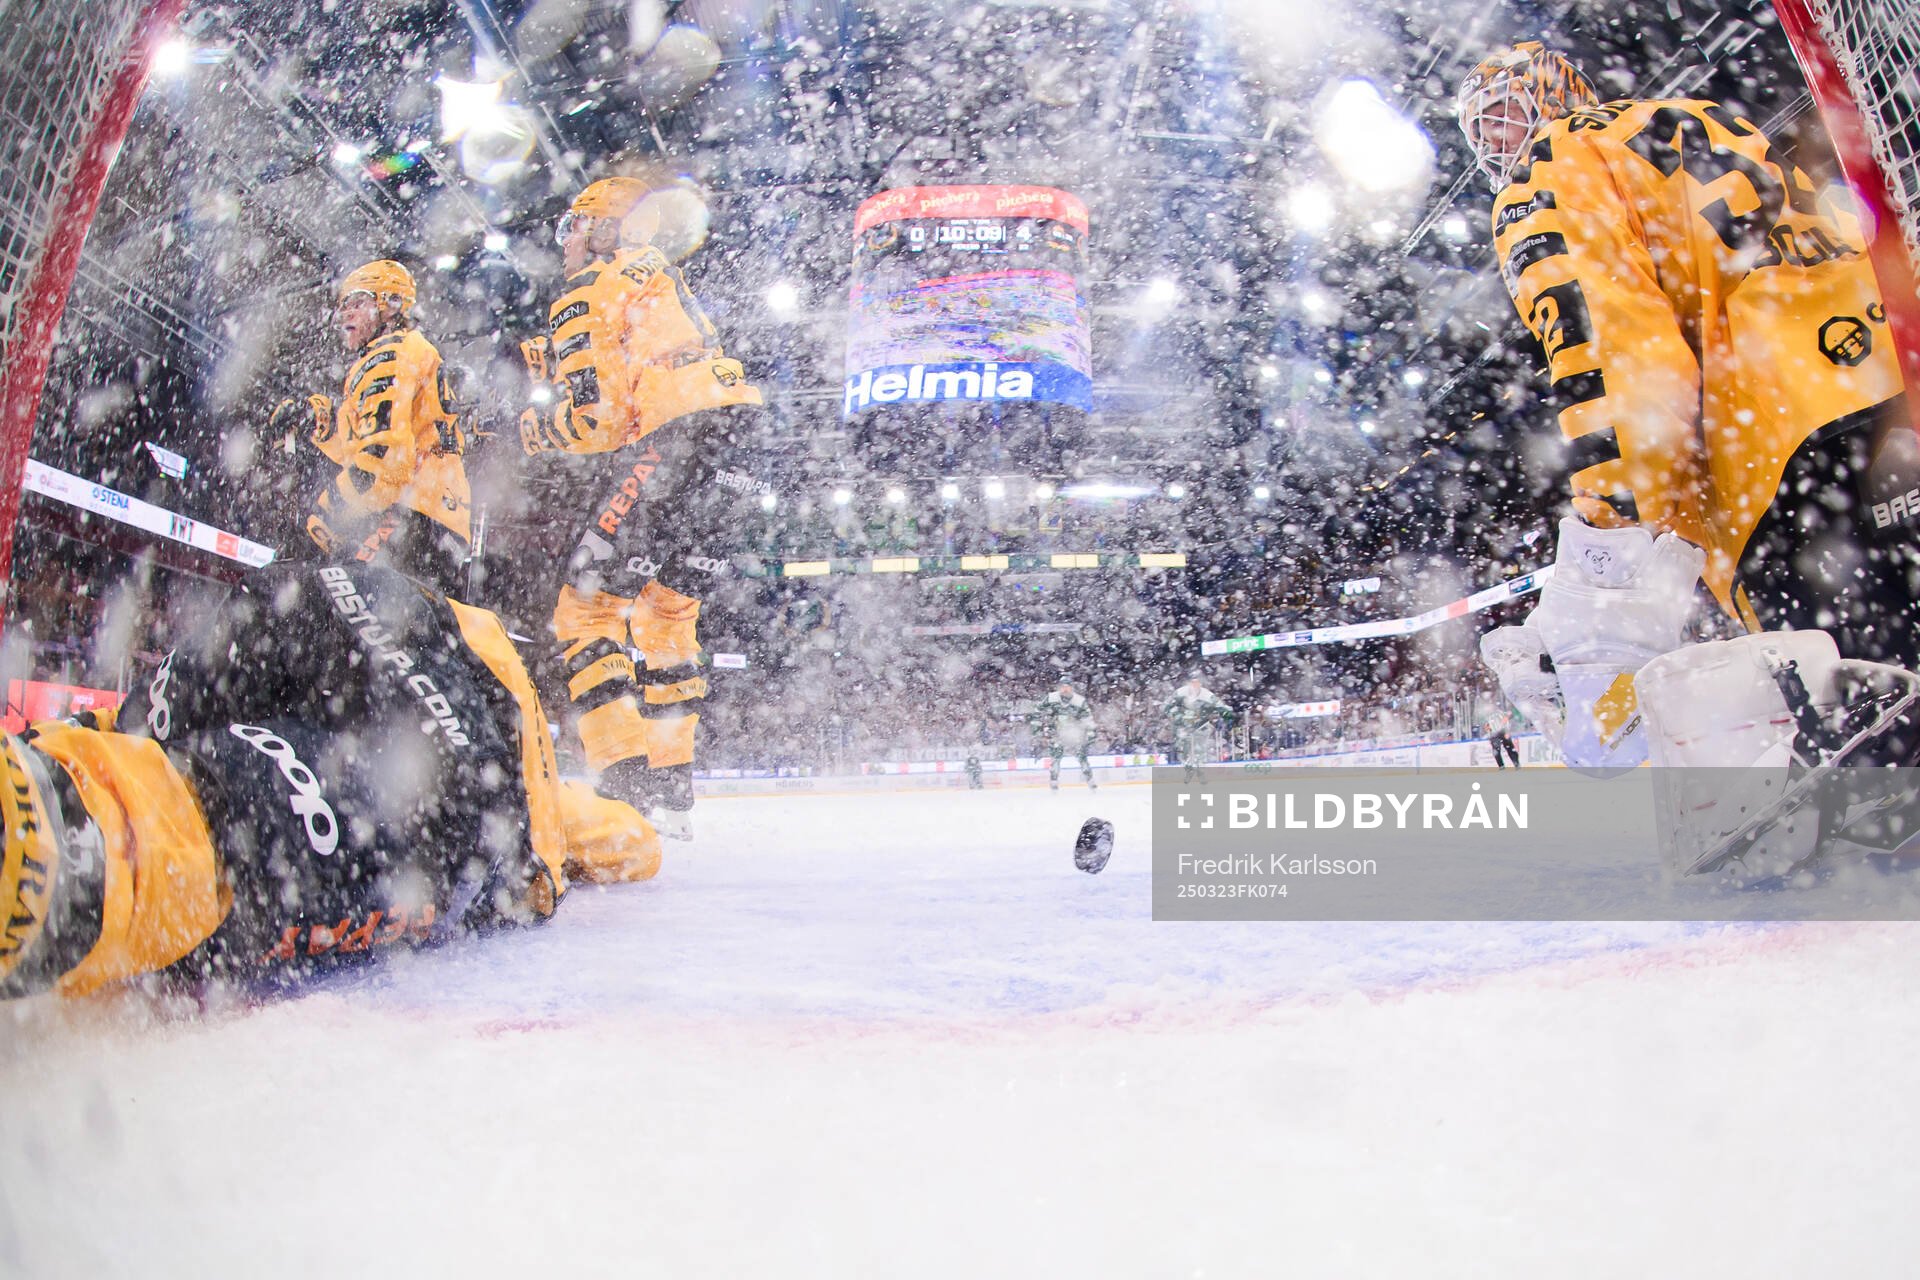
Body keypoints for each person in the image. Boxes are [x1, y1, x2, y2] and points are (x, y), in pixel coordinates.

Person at [1458, 42, 1917, 774]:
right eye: (1480, 132)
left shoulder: (1548, 169)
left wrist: (1609, 531)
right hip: (1891, 373)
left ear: (1550, 97)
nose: (1494, 142)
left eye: (1504, 116)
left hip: (1783, 446)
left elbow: (1616, 355)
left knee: (1878, 736)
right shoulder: (1694, 117)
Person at [0, 562, 662, 1001]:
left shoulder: (539, 797)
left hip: (338, 593)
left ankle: (46, 782)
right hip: (452, 718)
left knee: (146, 726)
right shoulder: (524, 814)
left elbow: (621, 837)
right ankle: (56, 851)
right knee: (265, 823)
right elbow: (630, 840)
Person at [519, 177, 766, 840]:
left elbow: (600, 424)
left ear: (604, 227)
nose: (565, 240)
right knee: (667, 615)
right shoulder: (657, 270)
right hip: (745, 441)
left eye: (573, 224)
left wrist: (533, 429)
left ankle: (624, 781)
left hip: (678, 438)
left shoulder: (587, 286)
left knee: (585, 609)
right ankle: (671, 787)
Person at [283, 260, 474, 596]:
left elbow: (382, 463)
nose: (345, 314)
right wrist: (323, 425)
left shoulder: (389, 354)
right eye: (342, 306)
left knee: (310, 595)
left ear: (390, 303)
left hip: (410, 520)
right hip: (436, 520)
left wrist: (327, 511)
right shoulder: (406, 351)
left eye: (357, 302)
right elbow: (368, 447)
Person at [1032, 678, 1097, 791]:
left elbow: (1087, 718)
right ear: (1059, 687)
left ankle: (1090, 780)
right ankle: (1053, 781)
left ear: (1072, 688)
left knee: (1082, 757)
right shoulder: (1051, 698)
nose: (1065, 689)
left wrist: (1091, 732)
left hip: (1075, 733)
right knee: (1056, 758)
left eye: (1067, 687)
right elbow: (1038, 710)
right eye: (1063, 686)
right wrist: (1037, 728)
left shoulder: (1079, 701)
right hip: (1056, 733)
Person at [1164, 673, 1230, 782]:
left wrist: (1223, 715)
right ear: (1189, 683)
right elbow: (1167, 706)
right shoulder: (1180, 693)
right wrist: (1177, 717)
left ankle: (1200, 771)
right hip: (1184, 725)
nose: (1195, 685)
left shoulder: (1207, 695)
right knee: (1184, 749)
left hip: (1201, 725)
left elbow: (1221, 707)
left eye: (1197, 682)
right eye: (1193, 682)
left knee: (1200, 749)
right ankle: (1188, 769)